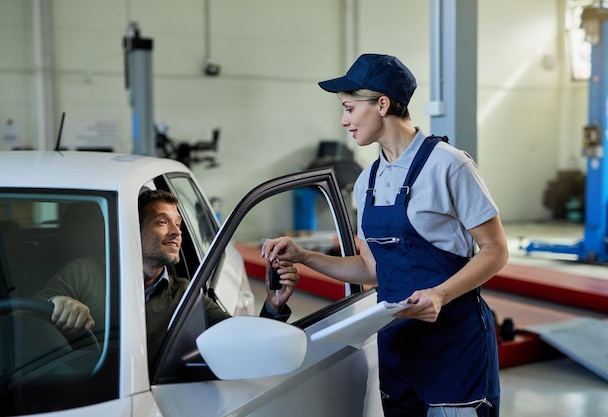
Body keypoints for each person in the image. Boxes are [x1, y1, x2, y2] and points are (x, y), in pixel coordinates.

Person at [261, 54, 508, 417]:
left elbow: (495, 250)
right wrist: (302, 256)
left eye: (349, 108)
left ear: (382, 103)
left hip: (454, 345)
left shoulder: (449, 165)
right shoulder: (367, 181)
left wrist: (440, 293)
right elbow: (371, 268)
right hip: (398, 348)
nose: (344, 121)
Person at [36, 189, 300, 365]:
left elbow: (241, 342)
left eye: (178, 224)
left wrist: (273, 306)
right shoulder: (82, 272)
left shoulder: (186, 294)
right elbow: (23, 319)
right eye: (162, 222)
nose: (176, 233)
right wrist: (55, 304)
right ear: (132, 230)